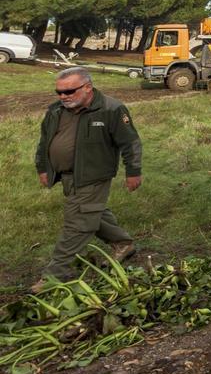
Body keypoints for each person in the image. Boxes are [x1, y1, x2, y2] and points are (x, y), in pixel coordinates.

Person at [33, 67, 142, 291]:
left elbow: (130, 143)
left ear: (87, 88)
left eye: (70, 91)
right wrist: (43, 167)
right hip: (67, 176)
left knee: (78, 223)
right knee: (91, 210)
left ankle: (56, 274)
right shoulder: (55, 110)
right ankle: (123, 243)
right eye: (59, 92)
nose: (63, 96)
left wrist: (133, 171)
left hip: (94, 175)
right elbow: (44, 141)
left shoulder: (111, 109)